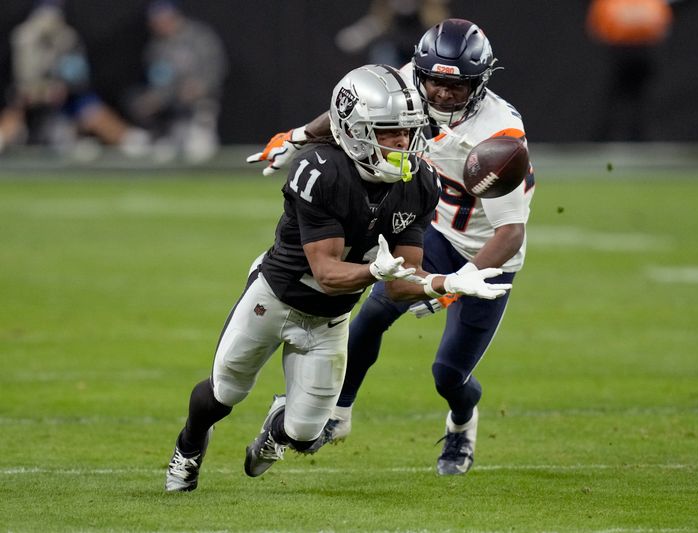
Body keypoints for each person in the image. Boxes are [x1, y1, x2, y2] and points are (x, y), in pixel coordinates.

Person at [165, 64, 511, 492]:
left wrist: (449, 283)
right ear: (353, 130)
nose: (402, 142)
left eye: (407, 131)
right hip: (275, 298)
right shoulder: (320, 170)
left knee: (306, 435)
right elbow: (327, 273)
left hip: (329, 321)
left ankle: (277, 429)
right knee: (223, 394)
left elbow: (402, 282)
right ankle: (189, 446)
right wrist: (373, 272)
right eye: (387, 132)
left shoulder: (419, 182)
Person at [249, 19, 535, 476]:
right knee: (374, 314)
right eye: (435, 82)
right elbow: (352, 113)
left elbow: (510, 233)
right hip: (435, 233)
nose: (441, 95)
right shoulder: (407, 85)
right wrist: (299, 136)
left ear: (479, 84)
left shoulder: (499, 137)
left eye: (456, 86)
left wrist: (458, 285)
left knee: (449, 374)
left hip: (486, 253)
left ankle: (462, 422)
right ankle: (336, 417)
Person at [0, 0, 150, 157]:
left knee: (89, 107)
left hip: (63, 97)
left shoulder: (68, 38)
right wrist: (37, 92)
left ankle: (130, 140)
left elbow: (76, 76)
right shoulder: (24, 37)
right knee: (14, 111)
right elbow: (22, 78)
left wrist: (61, 87)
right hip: (30, 96)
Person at [127, 0, 227, 163]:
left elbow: (216, 69)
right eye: (156, 21)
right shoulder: (156, 48)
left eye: (164, 19)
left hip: (201, 107)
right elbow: (159, 81)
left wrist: (200, 86)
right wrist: (154, 99)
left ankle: (199, 131)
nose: (160, 24)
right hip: (172, 110)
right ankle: (159, 136)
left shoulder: (199, 37)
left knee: (198, 153)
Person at [586, 0, 674, 140]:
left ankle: (629, 138)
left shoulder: (613, 3)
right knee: (623, 100)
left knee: (630, 100)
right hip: (634, 52)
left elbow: (596, 28)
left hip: (628, 52)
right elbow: (663, 27)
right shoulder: (648, 3)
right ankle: (616, 138)